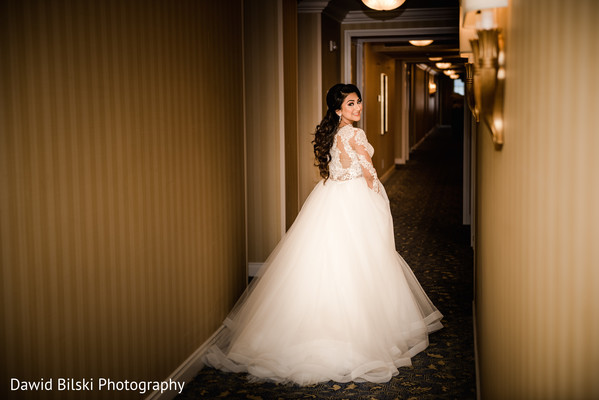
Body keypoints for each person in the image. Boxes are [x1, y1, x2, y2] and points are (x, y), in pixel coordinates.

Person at [202, 83, 443, 385]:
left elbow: (334, 167)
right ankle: (359, 332)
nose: (357, 108)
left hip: (331, 196)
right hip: (355, 198)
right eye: (351, 104)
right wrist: (377, 193)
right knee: (362, 258)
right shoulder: (355, 134)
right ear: (338, 109)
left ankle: (313, 328)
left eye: (359, 102)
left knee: (325, 259)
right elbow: (368, 172)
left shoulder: (331, 133)